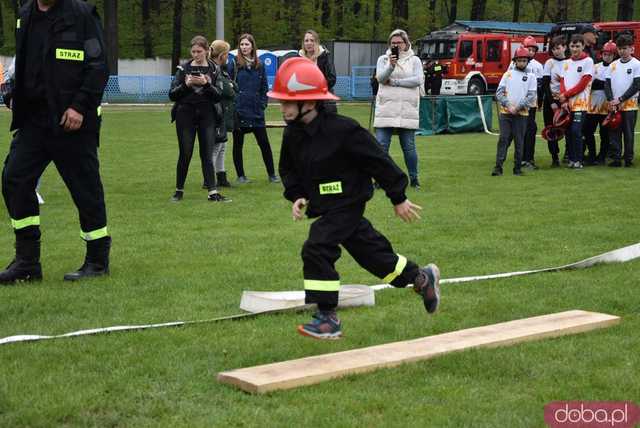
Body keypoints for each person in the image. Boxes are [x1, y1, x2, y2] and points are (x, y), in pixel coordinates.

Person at [270, 57, 441, 340]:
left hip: (349, 201)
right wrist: (298, 194)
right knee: (373, 255)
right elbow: (288, 169)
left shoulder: (344, 130)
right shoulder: (293, 135)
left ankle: (327, 318)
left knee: (317, 244)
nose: (282, 108)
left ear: (310, 102)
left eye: (287, 102)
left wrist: (397, 197)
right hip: (326, 206)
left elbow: (379, 161)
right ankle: (422, 279)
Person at [0, 0, 110, 284]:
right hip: (34, 121)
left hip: (72, 122)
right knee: (14, 178)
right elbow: (24, 62)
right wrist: (13, 93)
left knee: (86, 191)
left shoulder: (83, 14)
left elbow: (98, 66)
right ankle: (27, 262)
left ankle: (97, 261)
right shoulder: (25, 15)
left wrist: (79, 107)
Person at [169, 36, 229, 202]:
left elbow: (219, 96)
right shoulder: (183, 69)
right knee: (185, 152)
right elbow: (172, 94)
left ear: (207, 50)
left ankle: (212, 192)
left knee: (207, 154)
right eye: (193, 51)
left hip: (207, 115)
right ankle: (179, 190)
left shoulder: (214, 69)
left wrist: (206, 84)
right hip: (185, 114)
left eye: (199, 51)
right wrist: (185, 85)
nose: (196, 55)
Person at [374, 29, 424, 188]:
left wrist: (395, 83)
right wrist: (390, 66)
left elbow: (417, 80)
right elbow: (381, 79)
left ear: (406, 43)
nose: (396, 45)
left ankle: (414, 178)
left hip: (406, 108)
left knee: (408, 146)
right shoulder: (383, 59)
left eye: (399, 42)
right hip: (386, 108)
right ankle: (380, 179)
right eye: (393, 43)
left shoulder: (414, 60)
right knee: (381, 145)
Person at [228, 33, 279, 184]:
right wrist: (236, 104)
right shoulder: (234, 64)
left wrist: (263, 104)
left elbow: (264, 88)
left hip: (256, 111)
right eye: (241, 44)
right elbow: (230, 87)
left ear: (252, 46)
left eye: (247, 44)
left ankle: (272, 175)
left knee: (264, 143)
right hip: (240, 111)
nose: (244, 47)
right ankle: (241, 176)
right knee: (238, 144)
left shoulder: (260, 65)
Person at [492, 47, 536, 177]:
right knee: (504, 138)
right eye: (519, 60)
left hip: (521, 114)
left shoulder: (531, 76)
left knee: (519, 141)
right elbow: (499, 93)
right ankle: (498, 167)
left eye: (524, 60)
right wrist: (508, 105)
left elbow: (531, 95)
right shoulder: (508, 74)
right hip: (506, 113)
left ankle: (517, 168)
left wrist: (518, 107)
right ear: (515, 61)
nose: (522, 63)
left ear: (528, 61)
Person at [558, 34, 594, 169]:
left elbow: (583, 84)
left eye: (577, 46)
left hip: (580, 104)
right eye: (572, 46)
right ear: (569, 47)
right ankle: (572, 159)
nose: (574, 49)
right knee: (568, 132)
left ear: (583, 46)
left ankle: (578, 160)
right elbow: (562, 80)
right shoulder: (566, 63)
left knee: (576, 131)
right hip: (567, 104)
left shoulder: (588, 61)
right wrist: (564, 98)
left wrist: (565, 94)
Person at [605, 34, 640, 168]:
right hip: (614, 105)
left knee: (628, 133)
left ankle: (628, 158)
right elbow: (607, 84)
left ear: (632, 49)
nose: (622, 51)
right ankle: (616, 158)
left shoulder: (637, 64)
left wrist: (620, 99)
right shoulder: (613, 65)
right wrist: (611, 100)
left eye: (625, 48)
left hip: (629, 106)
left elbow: (636, 85)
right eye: (620, 48)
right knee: (614, 132)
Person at [209, 39, 237, 188]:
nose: (228, 57)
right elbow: (228, 90)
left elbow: (233, 87)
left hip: (222, 113)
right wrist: (231, 87)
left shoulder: (221, 69)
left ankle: (221, 176)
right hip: (216, 113)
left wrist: (232, 86)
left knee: (222, 146)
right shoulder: (214, 69)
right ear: (221, 55)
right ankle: (209, 179)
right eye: (226, 54)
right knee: (215, 147)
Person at [584, 40, 616, 165]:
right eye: (605, 54)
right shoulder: (595, 67)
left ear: (614, 55)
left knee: (605, 134)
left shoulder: (616, 67)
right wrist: (603, 84)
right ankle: (591, 155)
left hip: (607, 107)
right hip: (592, 106)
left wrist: (600, 83)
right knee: (587, 132)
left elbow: (612, 85)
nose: (608, 57)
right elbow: (589, 83)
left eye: (610, 54)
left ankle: (602, 156)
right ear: (601, 54)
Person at [542, 36, 567, 167]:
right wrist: (551, 101)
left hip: (566, 101)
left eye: (558, 48)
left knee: (568, 128)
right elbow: (545, 84)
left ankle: (568, 155)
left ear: (564, 47)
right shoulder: (549, 63)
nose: (556, 51)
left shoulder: (570, 62)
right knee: (551, 129)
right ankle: (554, 156)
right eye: (553, 49)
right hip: (551, 101)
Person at [299, 29, 337, 113]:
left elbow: (332, 78)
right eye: (306, 40)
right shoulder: (299, 59)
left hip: (324, 100)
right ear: (303, 43)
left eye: (312, 40)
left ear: (317, 42)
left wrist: (318, 88)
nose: (309, 43)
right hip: (305, 99)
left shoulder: (325, 56)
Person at [520, 36, 544, 170]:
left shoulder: (538, 66)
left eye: (532, 50)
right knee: (520, 130)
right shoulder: (514, 64)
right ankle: (522, 156)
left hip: (531, 104)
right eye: (528, 49)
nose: (530, 52)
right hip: (518, 103)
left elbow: (540, 87)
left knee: (530, 129)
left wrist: (540, 102)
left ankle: (528, 157)